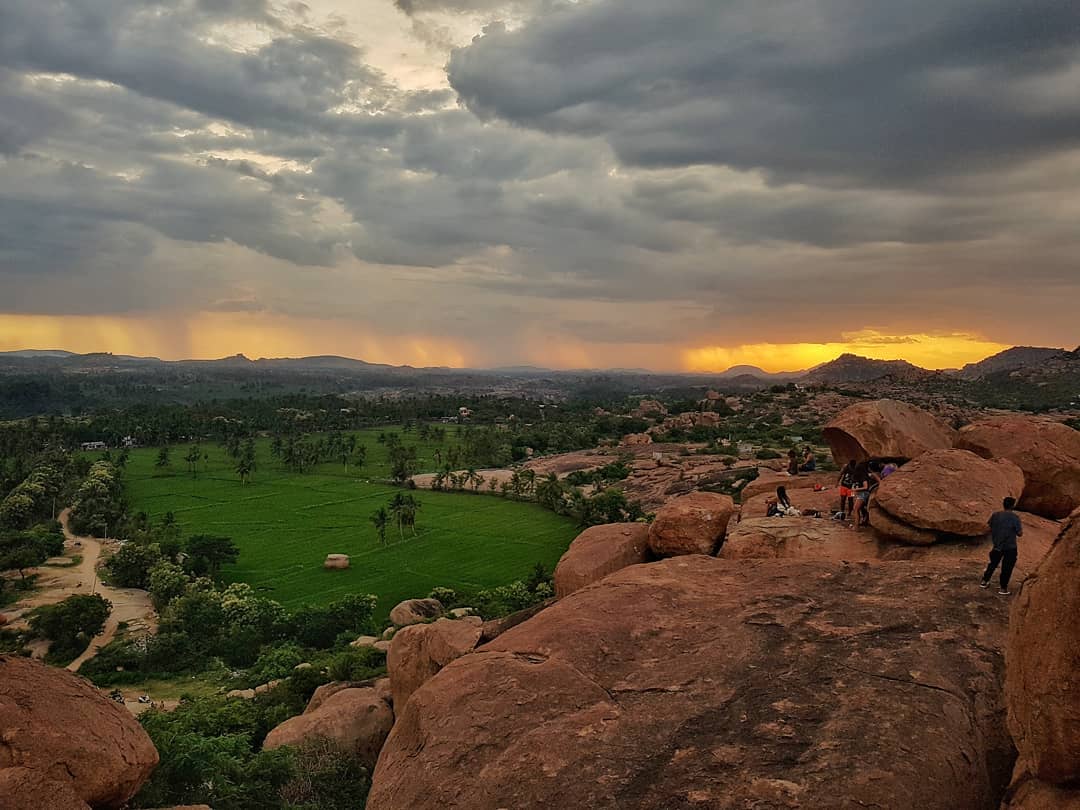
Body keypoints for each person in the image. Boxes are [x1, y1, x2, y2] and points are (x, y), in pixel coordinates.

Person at [982, 497, 1024, 595]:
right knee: (1007, 568)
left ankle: (984, 581)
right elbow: (1020, 533)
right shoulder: (1015, 517)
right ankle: (1003, 588)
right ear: (1012, 505)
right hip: (1010, 547)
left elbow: (989, 527)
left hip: (997, 545)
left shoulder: (995, 515)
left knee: (992, 564)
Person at [851, 462, 873, 527]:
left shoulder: (863, 476)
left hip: (863, 493)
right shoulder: (860, 476)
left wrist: (856, 489)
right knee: (857, 509)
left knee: (856, 509)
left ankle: (856, 526)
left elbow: (866, 487)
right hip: (860, 493)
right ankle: (859, 523)